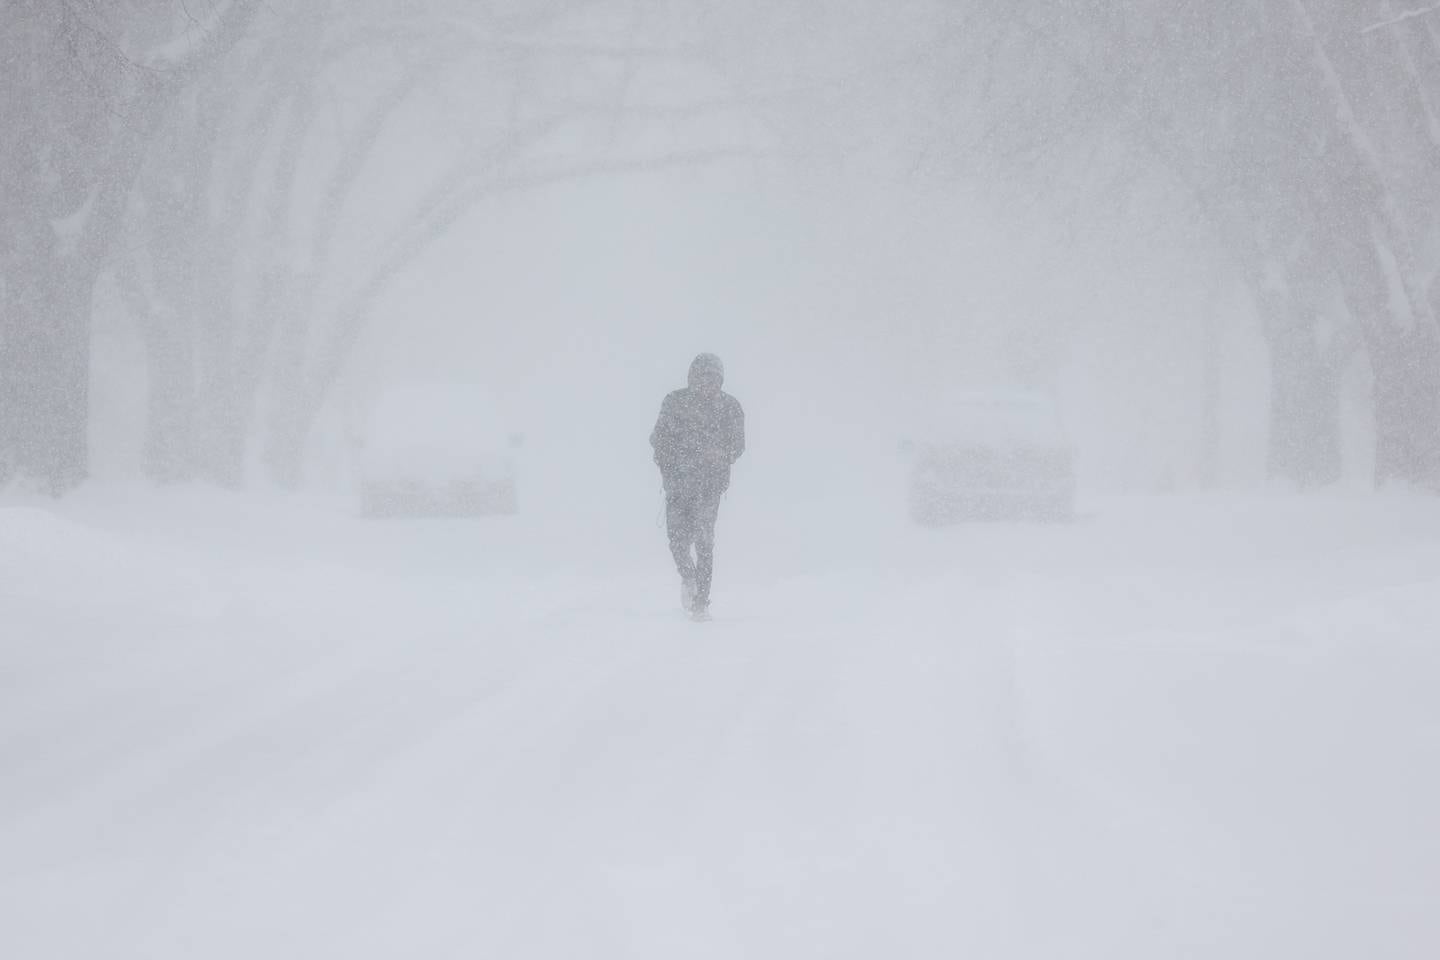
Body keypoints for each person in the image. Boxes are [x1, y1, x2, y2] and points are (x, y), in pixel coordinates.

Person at [650, 353, 745, 619]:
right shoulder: (675, 402)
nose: (707, 384)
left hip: (709, 487)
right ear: (691, 378)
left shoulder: (730, 407)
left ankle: (701, 603)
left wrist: (720, 454)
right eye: (702, 378)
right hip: (678, 485)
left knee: (704, 541)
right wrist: (671, 466)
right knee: (677, 541)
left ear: (720, 381)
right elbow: (658, 438)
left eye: (713, 379)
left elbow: (739, 444)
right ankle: (688, 577)